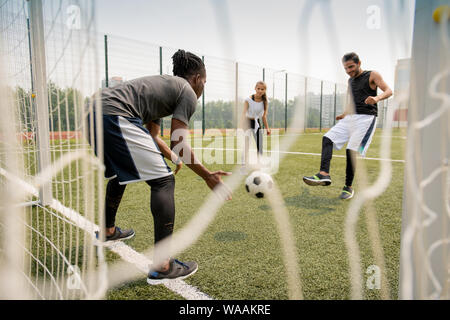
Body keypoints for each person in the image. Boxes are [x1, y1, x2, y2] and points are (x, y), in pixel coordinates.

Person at [88, 49, 232, 284]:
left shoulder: (163, 87)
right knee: (164, 182)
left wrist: (173, 158)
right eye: (204, 82)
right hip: (114, 114)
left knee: (120, 174)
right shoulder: (187, 91)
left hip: (93, 114)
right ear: (196, 79)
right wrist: (207, 176)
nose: (203, 87)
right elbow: (179, 141)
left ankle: (108, 231)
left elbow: (153, 136)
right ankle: (163, 265)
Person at [302, 52, 392, 200]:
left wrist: (376, 98)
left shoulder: (372, 75)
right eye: (346, 68)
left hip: (367, 119)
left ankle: (348, 187)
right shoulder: (350, 81)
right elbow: (352, 102)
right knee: (327, 138)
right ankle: (324, 173)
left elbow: (389, 91)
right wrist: (344, 114)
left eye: (351, 67)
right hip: (351, 117)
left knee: (352, 151)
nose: (349, 71)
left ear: (359, 63)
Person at [240, 81, 271, 171]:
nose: (260, 91)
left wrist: (267, 128)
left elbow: (264, 116)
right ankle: (243, 166)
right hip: (247, 122)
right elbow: (243, 114)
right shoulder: (248, 100)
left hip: (257, 123)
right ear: (255, 88)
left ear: (265, 90)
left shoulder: (265, 101)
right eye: (258, 88)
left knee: (259, 146)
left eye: (262, 89)